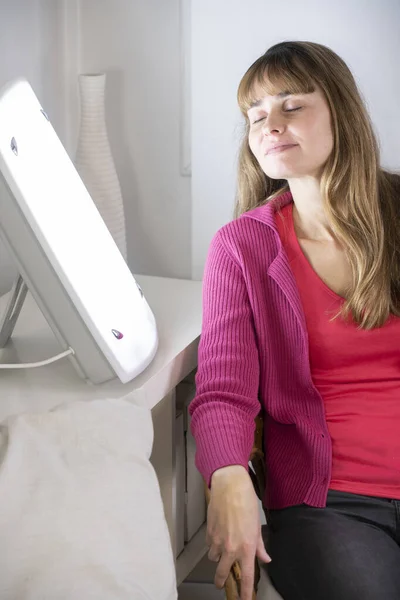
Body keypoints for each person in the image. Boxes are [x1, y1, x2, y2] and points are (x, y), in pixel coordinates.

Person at [189, 40, 400, 600]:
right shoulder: (242, 247)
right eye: (255, 115)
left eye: (291, 105)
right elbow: (223, 390)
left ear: (341, 111)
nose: (269, 125)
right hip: (331, 505)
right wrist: (228, 479)